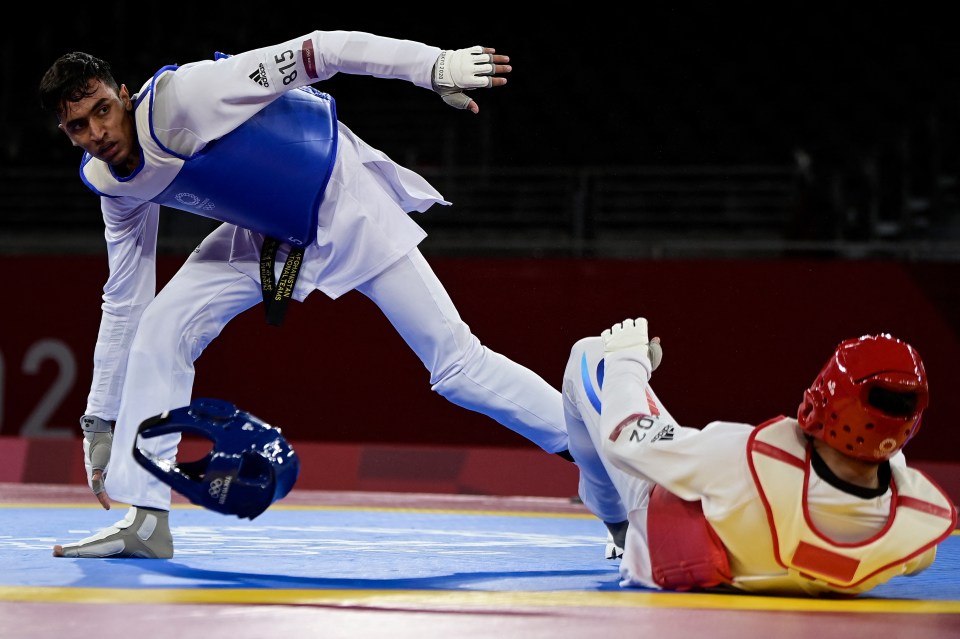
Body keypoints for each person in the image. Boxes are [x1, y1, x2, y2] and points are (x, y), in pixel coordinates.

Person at [39, 31, 572, 559]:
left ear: (123, 94)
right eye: (77, 126)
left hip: (340, 200)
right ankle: (146, 520)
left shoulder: (191, 96)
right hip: (261, 228)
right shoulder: (111, 182)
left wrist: (432, 66)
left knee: (458, 367)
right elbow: (125, 299)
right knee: (161, 327)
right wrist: (101, 419)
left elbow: (319, 50)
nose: (97, 132)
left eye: (103, 109)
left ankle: (603, 459)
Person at [562, 317, 956, 597]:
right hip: (754, 570)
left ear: (821, 403)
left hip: (664, 548)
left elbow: (624, 437)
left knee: (592, 354)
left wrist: (629, 360)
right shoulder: (916, 538)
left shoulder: (745, 461)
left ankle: (612, 516)